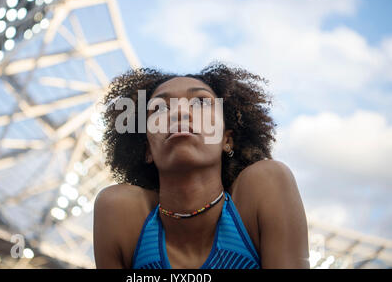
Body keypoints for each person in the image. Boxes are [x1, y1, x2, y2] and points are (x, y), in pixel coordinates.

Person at [93, 63, 309, 269]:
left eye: (201, 103)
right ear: (148, 149)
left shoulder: (265, 185)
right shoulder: (119, 211)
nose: (180, 113)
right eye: (159, 108)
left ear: (227, 140)